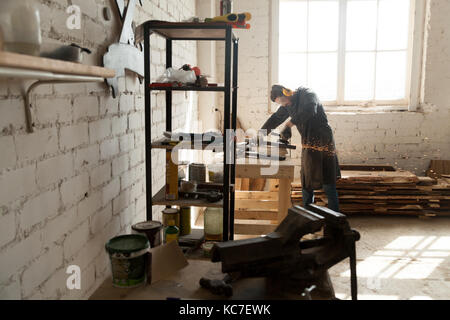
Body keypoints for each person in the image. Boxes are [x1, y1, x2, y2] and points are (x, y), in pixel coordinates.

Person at [259, 84, 341, 212]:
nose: (283, 105)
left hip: (324, 140)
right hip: (308, 141)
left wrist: (290, 123)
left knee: (328, 181)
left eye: (282, 101)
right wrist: (260, 134)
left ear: (286, 93)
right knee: (306, 179)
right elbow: (275, 119)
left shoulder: (307, 95)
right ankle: (309, 216)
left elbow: (310, 110)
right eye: (280, 103)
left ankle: (336, 219)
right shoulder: (287, 105)